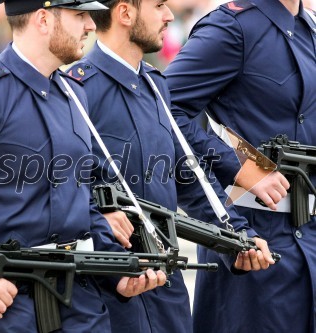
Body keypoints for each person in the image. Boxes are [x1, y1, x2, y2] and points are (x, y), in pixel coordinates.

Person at [0, 0, 166, 331]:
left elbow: (81, 199)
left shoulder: (72, 96)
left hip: (77, 303)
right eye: (79, 15)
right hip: (5, 307)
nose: (91, 25)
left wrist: (116, 273)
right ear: (42, 20)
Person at [67, 0, 276, 332]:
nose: (168, 16)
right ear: (125, 13)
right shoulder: (74, 92)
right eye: (159, 5)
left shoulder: (156, 85)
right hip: (109, 296)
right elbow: (63, 192)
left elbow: (191, 180)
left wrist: (238, 235)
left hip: (167, 295)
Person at [164, 0, 316, 331]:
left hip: (309, 244)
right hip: (253, 247)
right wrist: (242, 164)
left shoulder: (311, 28)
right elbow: (163, 107)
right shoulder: (231, 29)